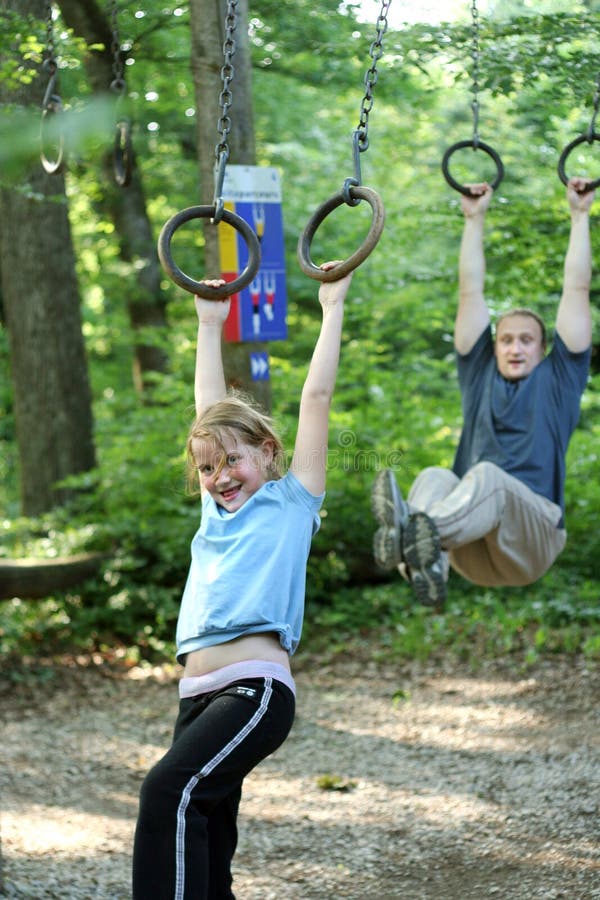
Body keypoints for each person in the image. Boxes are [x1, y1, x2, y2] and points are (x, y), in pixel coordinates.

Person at [131, 260, 352, 900]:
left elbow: (315, 397)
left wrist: (331, 307)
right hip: (196, 694)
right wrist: (209, 321)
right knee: (207, 832)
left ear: (269, 452)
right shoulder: (214, 509)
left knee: (167, 792)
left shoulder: (292, 501)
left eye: (234, 459)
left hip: (253, 692)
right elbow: (207, 410)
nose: (221, 475)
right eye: (207, 467)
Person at [372, 176, 595, 609]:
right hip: (473, 548)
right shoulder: (479, 376)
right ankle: (427, 561)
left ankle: (413, 538)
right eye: (506, 339)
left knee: (488, 477)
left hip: (532, 542)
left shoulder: (559, 381)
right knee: (435, 477)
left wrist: (580, 214)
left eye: (527, 340)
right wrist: (474, 218)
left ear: (543, 349)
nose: (515, 347)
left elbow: (577, 289)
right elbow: (469, 291)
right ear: (492, 348)